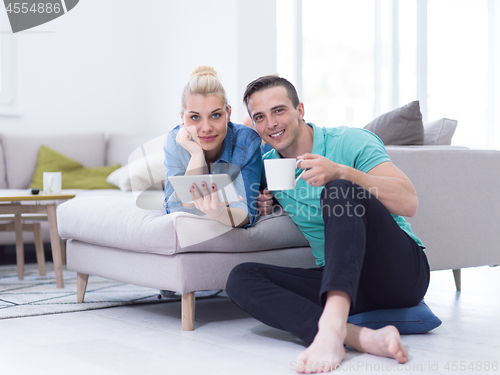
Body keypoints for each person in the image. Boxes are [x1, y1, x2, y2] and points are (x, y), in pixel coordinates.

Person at [226, 75, 430, 372]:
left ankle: (332, 327)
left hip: (398, 273)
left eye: (279, 110)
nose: (271, 123)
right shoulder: (269, 166)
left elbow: (409, 201)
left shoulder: (349, 141)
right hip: (342, 279)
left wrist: (343, 173)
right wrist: (265, 205)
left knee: (340, 188)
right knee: (240, 278)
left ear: (300, 110)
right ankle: (359, 337)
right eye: (260, 117)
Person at [163, 66, 262, 228]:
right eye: (195, 117)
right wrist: (196, 155)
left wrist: (220, 213)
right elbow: (173, 209)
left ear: (228, 113)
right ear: (182, 118)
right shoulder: (174, 141)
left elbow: (246, 213)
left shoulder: (247, 141)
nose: (206, 127)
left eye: (215, 115)